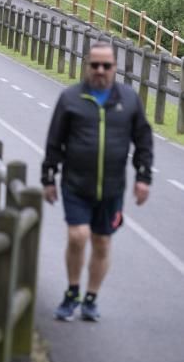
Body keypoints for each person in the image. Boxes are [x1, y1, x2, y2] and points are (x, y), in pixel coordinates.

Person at [41, 41, 153, 322]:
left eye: (106, 65)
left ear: (115, 68)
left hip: (113, 187)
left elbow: (143, 141)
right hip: (75, 184)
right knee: (77, 236)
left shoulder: (128, 100)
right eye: (95, 65)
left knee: (102, 243)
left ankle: (90, 298)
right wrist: (48, 177)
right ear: (87, 66)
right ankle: (72, 292)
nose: (100, 70)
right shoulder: (70, 98)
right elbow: (55, 141)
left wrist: (143, 177)